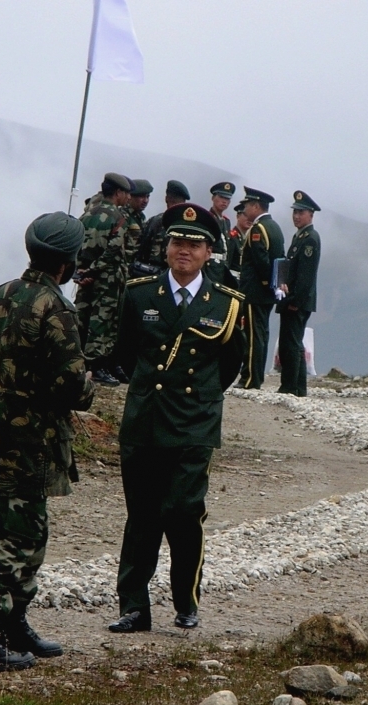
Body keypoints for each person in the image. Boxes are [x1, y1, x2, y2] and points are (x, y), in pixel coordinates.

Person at [0, 211, 95, 674]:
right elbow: (73, 385)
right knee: (16, 537)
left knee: (30, 531)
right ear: (67, 263)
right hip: (32, 441)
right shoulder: (56, 308)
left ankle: (13, 624)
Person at [107, 203, 247, 633]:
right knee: (143, 514)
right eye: (176, 242)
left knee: (185, 512)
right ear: (166, 247)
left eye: (193, 244)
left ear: (209, 252)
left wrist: (199, 399)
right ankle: (133, 606)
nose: (183, 250)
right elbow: (125, 355)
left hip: (194, 423)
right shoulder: (140, 293)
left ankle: (186, 599)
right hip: (145, 420)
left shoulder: (227, 304)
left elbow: (231, 366)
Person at [77, 173, 131, 386]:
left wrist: (82, 271)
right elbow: (113, 250)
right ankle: (96, 366)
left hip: (84, 276)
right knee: (102, 320)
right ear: (118, 193)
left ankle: (78, 360)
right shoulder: (118, 218)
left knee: (82, 315)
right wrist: (94, 270)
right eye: (126, 193)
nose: (128, 197)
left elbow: (76, 243)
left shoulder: (87, 213)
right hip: (107, 278)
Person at [237, 186, 284, 389]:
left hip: (255, 291)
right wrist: (276, 286)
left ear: (256, 206)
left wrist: (267, 284)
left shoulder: (258, 229)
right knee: (262, 334)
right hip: (268, 292)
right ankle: (257, 377)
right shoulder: (275, 227)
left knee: (253, 335)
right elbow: (281, 260)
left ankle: (250, 378)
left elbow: (260, 261)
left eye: (247, 204)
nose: (245, 208)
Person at [276, 190, 321, 396]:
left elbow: (306, 275)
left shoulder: (310, 238)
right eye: (295, 212)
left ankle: (290, 386)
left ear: (311, 214)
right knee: (293, 343)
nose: (296, 216)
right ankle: (299, 388)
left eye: (301, 212)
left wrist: (296, 300)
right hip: (290, 297)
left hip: (297, 300)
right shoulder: (299, 236)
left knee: (291, 344)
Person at [136, 180, 190, 275]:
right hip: (170, 276)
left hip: (146, 274)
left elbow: (139, 249)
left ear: (166, 199)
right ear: (184, 203)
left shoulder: (153, 221)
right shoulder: (185, 225)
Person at [205, 181, 237, 287]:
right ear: (213, 198)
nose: (224, 202)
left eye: (227, 199)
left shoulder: (226, 221)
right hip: (209, 266)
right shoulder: (207, 218)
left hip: (222, 267)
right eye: (222, 197)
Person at [226, 202, 252, 282]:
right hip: (232, 281)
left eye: (251, 216)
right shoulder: (232, 237)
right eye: (245, 215)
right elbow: (227, 263)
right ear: (238, 216)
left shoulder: (247, 239)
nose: (249, 219)